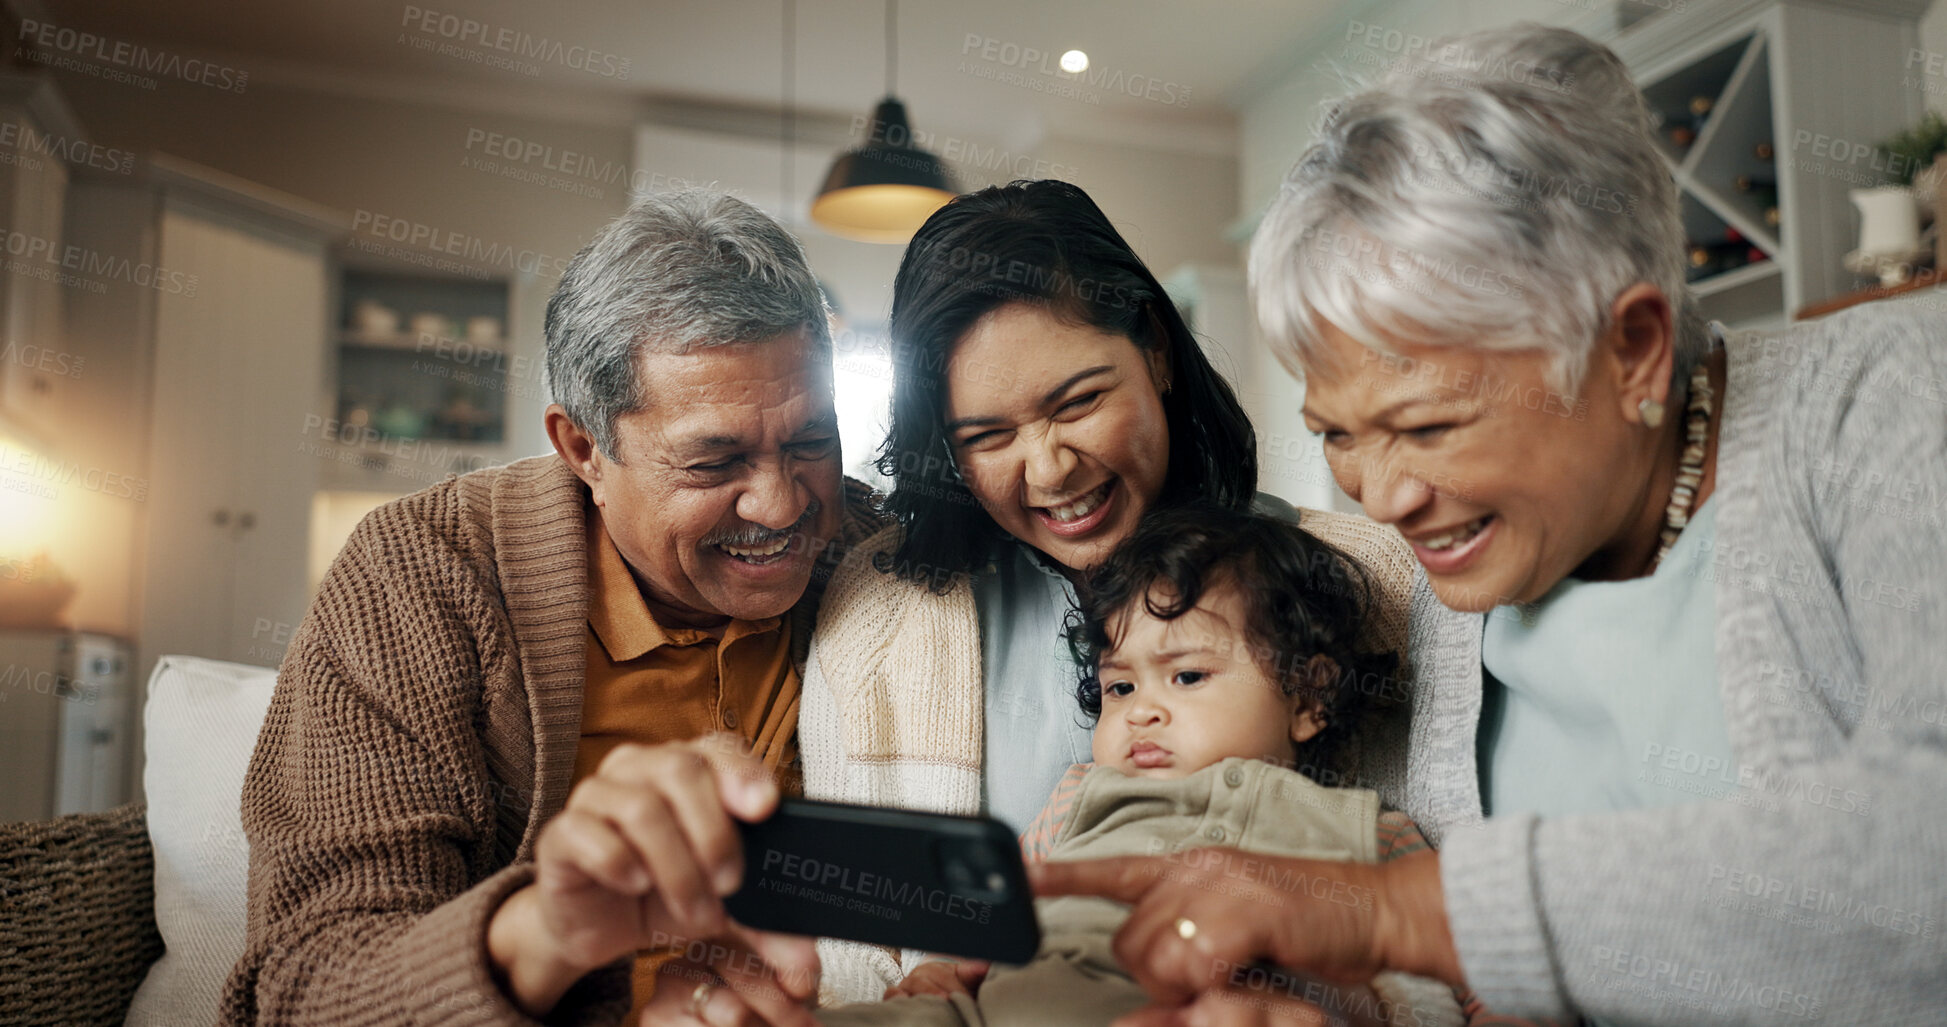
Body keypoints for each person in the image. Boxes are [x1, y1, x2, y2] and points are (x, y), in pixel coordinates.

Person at [1032, 24, 1947, 1026]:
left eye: (1428, 425)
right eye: (1337, 434)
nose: (1380, 498)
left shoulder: (1898, 393)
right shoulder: (1445, 578)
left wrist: (1409, 911)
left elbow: (1921, 862)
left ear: (1633, 348)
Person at [222, 189, 885, 1027]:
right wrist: (545, 935)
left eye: (810, 441)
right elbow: (306, 986)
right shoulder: (421, 572)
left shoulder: (881, 557)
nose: (783, 506)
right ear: (583, 449)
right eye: (714, 463)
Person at [797, 180, 1421, 1006]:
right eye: (986, 436)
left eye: (1078, 402)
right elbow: (855, 951)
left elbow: (1448, 935)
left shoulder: (1369, 579)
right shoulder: (876, 619)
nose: (1050, 468)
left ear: (1156, 351)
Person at [813, 501, 1465, 1027]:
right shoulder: (1080, 795)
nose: (1139, 711)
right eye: (1120, 687)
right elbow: (999, 909)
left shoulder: (1365, 826)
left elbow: (1456, 968)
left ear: (1308, 696)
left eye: (1185, 675)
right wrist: (943, 970)